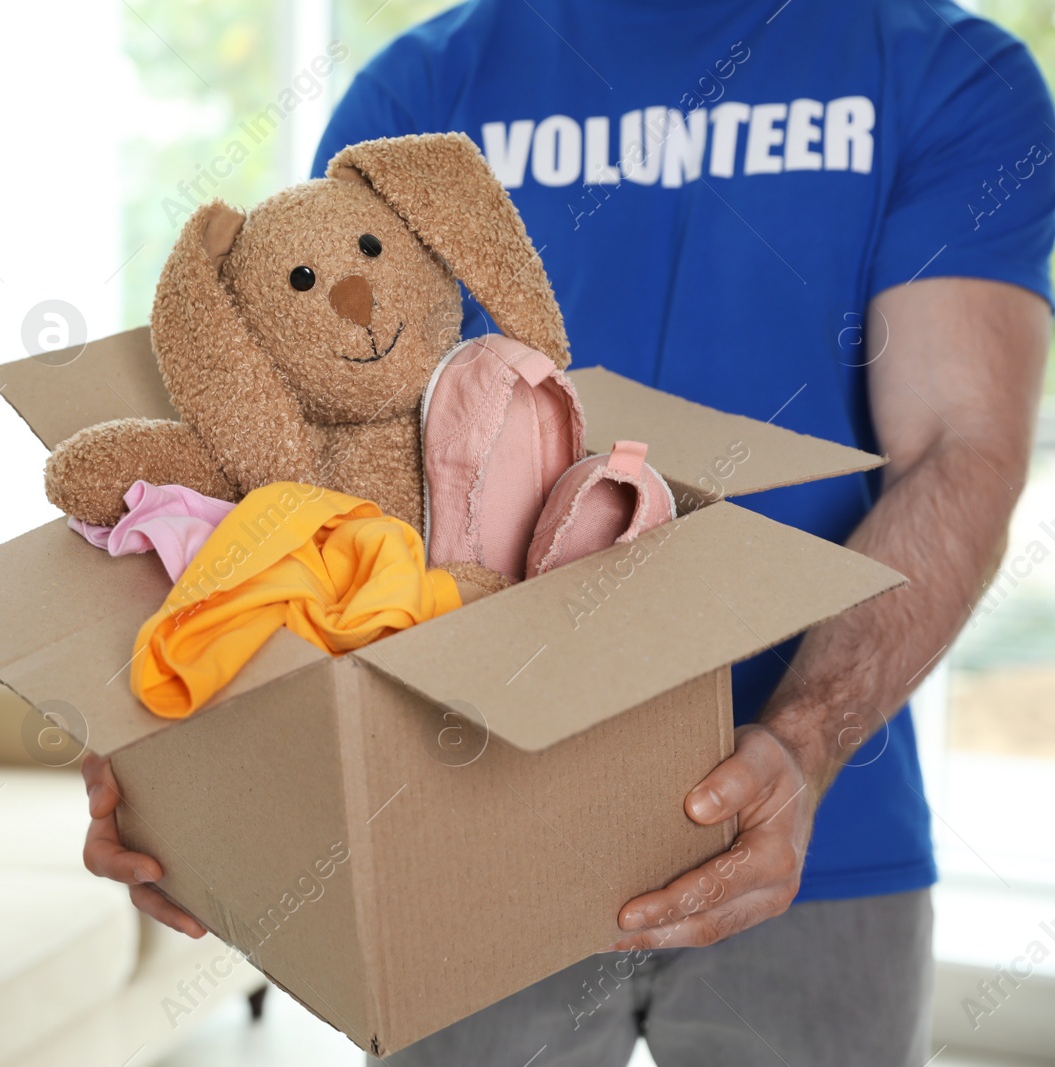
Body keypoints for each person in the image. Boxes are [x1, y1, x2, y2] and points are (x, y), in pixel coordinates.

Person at [82, 0, 1055, 1062]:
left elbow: (959, 449)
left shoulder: (943, 73)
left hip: (816, 827)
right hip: (461, 817)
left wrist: (804, 740)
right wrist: (179, 751)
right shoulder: (418, 94)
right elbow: (303, 466)